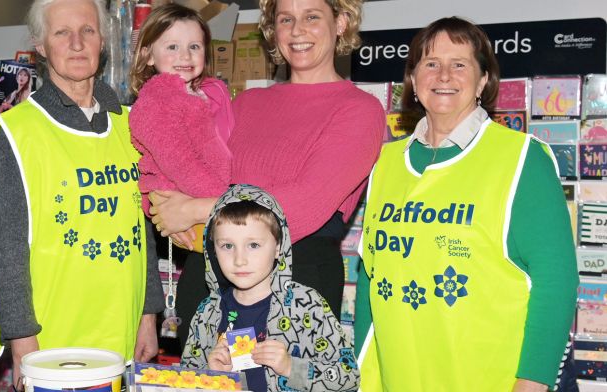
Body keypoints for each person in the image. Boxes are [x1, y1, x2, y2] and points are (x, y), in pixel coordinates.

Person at [357, 17, 578, 392]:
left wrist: (533, 382)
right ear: (412, 79)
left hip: (488, 378)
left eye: (459, 64)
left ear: (482, 81)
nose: (443, 75)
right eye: (430, 63)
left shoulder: (522, 159)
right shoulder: (384, 164)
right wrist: (359, 373)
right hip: (396, 377)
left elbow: (556, 281)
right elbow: (371, 277)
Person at [149, 0, 385, 346]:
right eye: (286, 19)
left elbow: (302, 204)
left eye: (312, 17)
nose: (297, 30)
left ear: (341, 22)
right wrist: (164, 207)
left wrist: (195, 209)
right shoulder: (245, 103)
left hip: (295, 284)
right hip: (208, 279)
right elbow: (185, 168)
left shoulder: (360, 110)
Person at [0, 0, 164, 389]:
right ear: (41, 46)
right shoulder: (18, 132)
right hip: (52, 341)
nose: (77, 43)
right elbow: (5, 247)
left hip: (123, 328)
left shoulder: (131, 124)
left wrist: (148, 313)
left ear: (103, 42)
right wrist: (21, 340)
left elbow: (141, 223)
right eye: (62, 33)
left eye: (88, 31)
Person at [182, 184, 359, 391]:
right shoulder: (207, 313)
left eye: (253, 245)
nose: (240, 260)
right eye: (227, 246)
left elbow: (348, 377)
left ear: (278, 248)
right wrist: (212, 377)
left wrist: (291, 367)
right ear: (213, 249)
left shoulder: (307, 305)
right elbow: (187, 379)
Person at [128, 3, 233, 251]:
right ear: (148, 55)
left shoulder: (199, 96)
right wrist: (219, 199)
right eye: (172, 47)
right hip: (177, 197)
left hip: (201, 200)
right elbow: (178, 162)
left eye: (194, 47)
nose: (185, 56)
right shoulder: (155, 103)